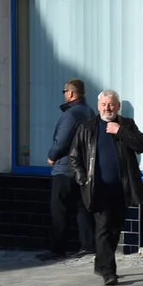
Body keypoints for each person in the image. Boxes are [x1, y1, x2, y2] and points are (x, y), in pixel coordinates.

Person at [67, 90, 143, 286]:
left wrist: (119, 131)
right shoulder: (87, 127)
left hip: (122, 187)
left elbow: (142, 145)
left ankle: (100, 263)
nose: (107, 108)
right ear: (98, 106)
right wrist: (83, 179)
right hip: (98, 187)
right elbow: (74, 156)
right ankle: (108, 271)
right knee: (103, 228)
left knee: (115, 229)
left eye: (111, 105)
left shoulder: (126, 124)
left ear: (118, 106)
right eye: (104, 105)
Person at [38, 78, 95, 261]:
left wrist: (52, 156)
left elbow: (61, 141)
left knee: (59, 209)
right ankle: (87, 245)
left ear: (70, 93)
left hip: (65, 168)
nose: (64, 95)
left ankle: (57, 249)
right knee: (81, 208)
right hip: (83, 167)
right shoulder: (89, 111)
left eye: (64, 91)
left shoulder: (71, 115)